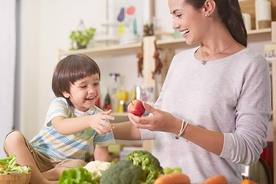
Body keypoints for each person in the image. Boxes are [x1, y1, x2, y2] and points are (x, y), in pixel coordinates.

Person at [113, 0, 271, 183]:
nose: (174, 24)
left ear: (207, 7)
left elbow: (248, 149)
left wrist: (177, 126)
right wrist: (98, 130)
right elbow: (155, 126)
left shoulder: (251, 65)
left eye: (178, 15)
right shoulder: (180, 61)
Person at [3, 54, 115, 184]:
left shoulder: (101, 118)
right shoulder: (60, 104)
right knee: (13, 137)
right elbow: (61, 126)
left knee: (80, 165)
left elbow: (101, 158)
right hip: (36, 158)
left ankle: (35, 179)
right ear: (65, 91)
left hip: (63, 166)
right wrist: (89, 121)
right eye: (83, 86)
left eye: (96, 83)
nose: (92, 90)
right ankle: (41, 181)